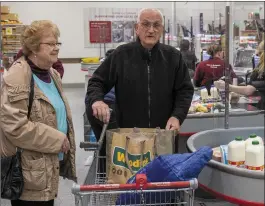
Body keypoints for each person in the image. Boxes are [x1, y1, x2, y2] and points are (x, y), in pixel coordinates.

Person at [85, 8, 194, 145]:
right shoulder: (121, 55)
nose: (151, 30)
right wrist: (97, 100)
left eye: (156, 25)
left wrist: (177, 116)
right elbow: (96, 82)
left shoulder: (173, 57)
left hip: (163, 136)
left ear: (161, 29)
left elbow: (185, 90)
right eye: (146, 24)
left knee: (163, 166)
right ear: (137, 28)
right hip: (129, 138)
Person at [0, 20, 76, 206]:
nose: (56, 48)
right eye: (50, 44)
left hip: (47, 164)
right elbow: (15, 126)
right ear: (33, 47)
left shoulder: (52, 74)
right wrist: (56, 139)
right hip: (28, 171)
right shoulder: (18, 75)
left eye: (57, 43)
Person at [214, 41, 265, 110]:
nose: (257, 57)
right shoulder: (259, 68)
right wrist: (238, 92)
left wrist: (226, 86)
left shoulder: (261, 70)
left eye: (258, 54)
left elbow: (249, 90)